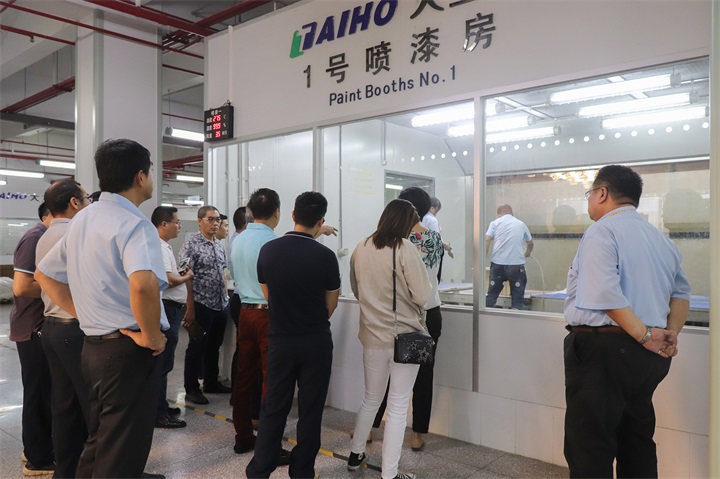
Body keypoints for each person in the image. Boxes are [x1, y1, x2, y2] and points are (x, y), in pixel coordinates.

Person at [36, 138, 169, 478]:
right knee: (121, 454)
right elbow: (143, 284)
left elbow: (44, 275)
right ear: (140, 176)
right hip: (129, 351)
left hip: (93, 348)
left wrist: (85, 313)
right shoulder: (136, 224)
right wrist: (152, 336)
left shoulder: (84, 218)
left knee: (99, 443)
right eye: (151, 171)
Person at [563, 164, 691, 478]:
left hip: (604, 351)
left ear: (602, 193)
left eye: (589, 193)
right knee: (637, 442)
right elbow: (681, 294)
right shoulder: (660, 239)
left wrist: (645, 336)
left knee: (590, 446)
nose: (589, 200)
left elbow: (604, 293)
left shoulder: (602, 230)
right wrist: (669, 333)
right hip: (648, 358)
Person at [246, 191, 341, 479]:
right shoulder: (326, 256)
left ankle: (260, 468)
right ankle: (302, 471)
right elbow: (331, 304)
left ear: (292, 215)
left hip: (280, 339)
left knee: (274, 407)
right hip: (315, 341)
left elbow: (269, 296)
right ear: (321, 221)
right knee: (311, 410)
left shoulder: (269, 251)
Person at [348, 199, 431, 479]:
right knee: (397, 406)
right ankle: (390, 474)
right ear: (406, 222)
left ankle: (356, 454)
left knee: (371, 398)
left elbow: (357, 289)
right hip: (403, 337)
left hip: (371, 335)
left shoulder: (361, 246)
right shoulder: (405, 248)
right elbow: (422, 295)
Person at [372, 188, 443, 452]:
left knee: (385, 371)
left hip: (396, 314)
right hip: (429, 313)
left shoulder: (390, 239)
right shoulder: (434, 238)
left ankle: (371, 428)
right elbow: (436, 277)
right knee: (424, 375)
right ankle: (417, 435)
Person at [36, 179, 92, 477]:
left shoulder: (47, 234)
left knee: (65, 406)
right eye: (87, 198)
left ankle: (67, 471)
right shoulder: (76, 233)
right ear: (74, 202)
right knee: (94, 407)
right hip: (74, 329)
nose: (90, 203)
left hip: (53, 328)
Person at [231, 188, 282, 454]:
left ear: (250, 212)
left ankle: (243, 436)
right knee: (270, 379)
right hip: (267, 315)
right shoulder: (273, 242)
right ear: (277, 212)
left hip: (245, 312)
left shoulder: (238, 239)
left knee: (244, 378)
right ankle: (269, 444)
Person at [11, 201, 54, 476]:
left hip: (39, 326)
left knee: (45, 392)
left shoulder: (46, 236)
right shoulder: (36, 237)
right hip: (32, 328)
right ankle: (37, 459)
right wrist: (60, 288)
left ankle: (36, 448)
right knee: (38, 393)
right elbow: (22, 286)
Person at [180, 205, 231, 405]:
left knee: (214, 346)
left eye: (217, 219)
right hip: (201, 303)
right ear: (200, 221)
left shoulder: (218, 245)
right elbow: (185, 277)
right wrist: (190, 307)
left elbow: (223, 272)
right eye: (211, 219)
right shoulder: (191, 245)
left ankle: (211, 381)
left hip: (219, 304)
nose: (215, 223)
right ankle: (191, 388)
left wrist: (225, 295)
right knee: (196, 347)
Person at [151, 206, 194, 428]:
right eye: (176, 222)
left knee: (166, 363)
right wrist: (187, 276)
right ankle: (158, 413)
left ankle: (161, 406)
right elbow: (168, 280)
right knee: (164, 363)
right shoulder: (158, 247)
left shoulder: (164, 246)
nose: (179, 226)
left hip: (172, 308)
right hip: (168, 308)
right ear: (164, 224)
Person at [485, 204, 533, 310]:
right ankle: (515, 315)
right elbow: (530, 243)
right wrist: (527, 253)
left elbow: (487, 239)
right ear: (511, 213)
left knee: (492, 295)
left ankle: (486, 315)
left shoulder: (495, 223)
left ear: (499, 214)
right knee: (517, 298)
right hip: (516, 266)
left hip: (498, 265)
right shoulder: (520, 224)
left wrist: (483, 258)